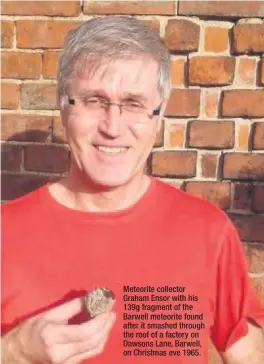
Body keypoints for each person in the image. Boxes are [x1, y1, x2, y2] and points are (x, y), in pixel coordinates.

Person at [1, 16, 264, 364]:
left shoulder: (206, 231)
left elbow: (248, 351)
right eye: (94, 100)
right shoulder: (6, 233)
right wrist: (13, 351)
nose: (113, 126)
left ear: (158, 116)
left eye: (134, 104)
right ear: (63, 106)